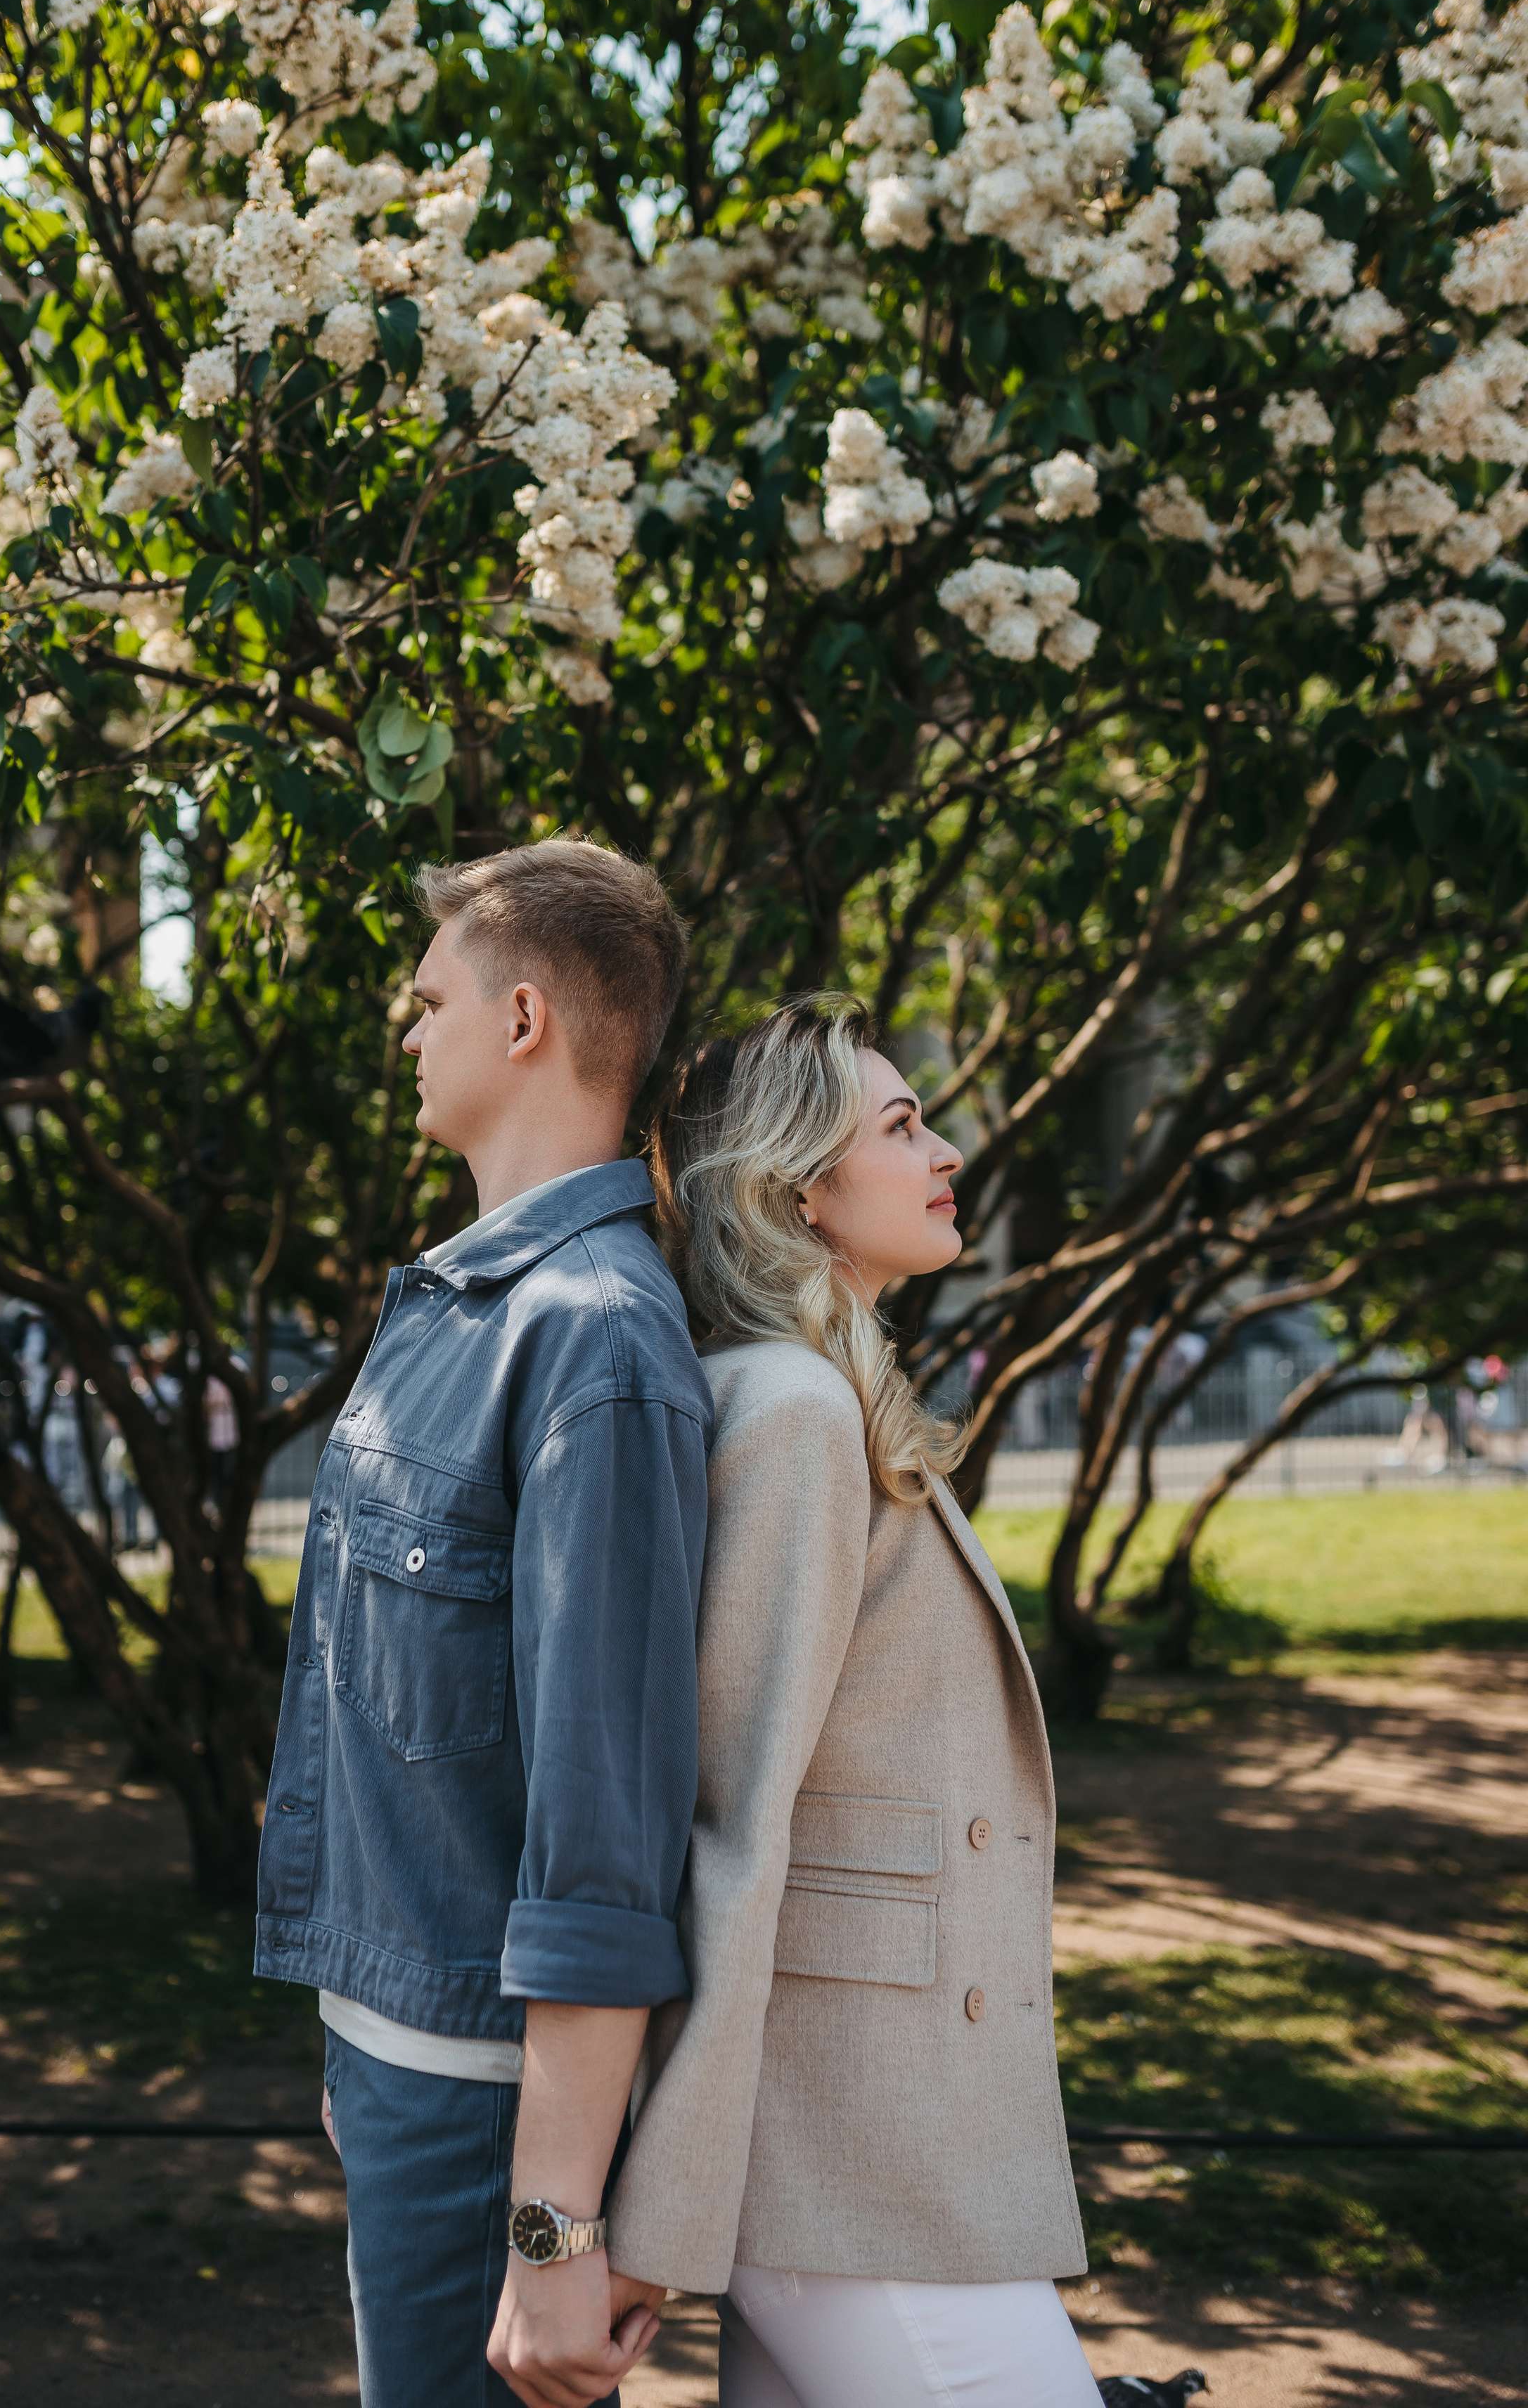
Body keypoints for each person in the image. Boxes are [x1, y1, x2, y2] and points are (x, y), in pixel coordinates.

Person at [255, 838, 712, 2408]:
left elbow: (603, 1838)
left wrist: (548, 2224)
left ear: (522, 1020)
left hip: (480, 2106)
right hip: (396, 2055)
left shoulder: (591, 1345)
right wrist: (351, 2031)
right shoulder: (466, 1308)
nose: (406, 1024)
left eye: (427, 992)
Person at [605, 998, 1098, 2408]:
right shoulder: (795, 1418)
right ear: (796, 1188)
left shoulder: (832, 1397)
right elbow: (726, 1831)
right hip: (843, 2154)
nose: (943, 1150)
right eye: (897, 1127)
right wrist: (663, 2209)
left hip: (881, 2138)